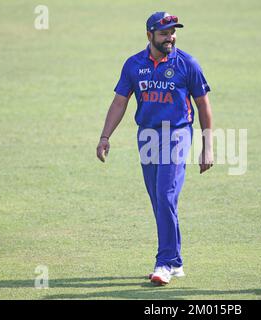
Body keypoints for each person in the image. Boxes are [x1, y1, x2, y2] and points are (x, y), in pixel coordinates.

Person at [96, 12, 214, 286]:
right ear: (149, 35)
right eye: (164, 33)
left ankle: (164, 263)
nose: (170, 37)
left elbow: (203, 106)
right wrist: (105, 137)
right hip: (147, 136)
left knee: (165, 194)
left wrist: (207, 147)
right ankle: (176, 261)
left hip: (177, 134)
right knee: (160, 201)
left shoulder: (188, 63)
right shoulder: (134, 64)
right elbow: (119, 103)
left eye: (173, 32)